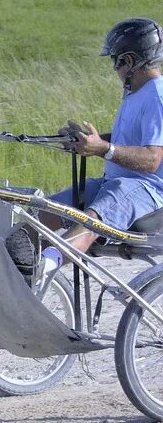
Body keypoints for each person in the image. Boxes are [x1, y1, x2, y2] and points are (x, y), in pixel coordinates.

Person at [18, 18, 163, 291]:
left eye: (116, 62)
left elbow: (152, 158)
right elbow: (125, 142)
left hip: (147, 190)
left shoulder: (157, 96)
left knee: (91, 217)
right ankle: (22, 260)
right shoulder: (136, 94)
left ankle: (44, 268)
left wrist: (103, 149)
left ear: (130, 61)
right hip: (115, 184)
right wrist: (86, 142)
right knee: (42, 211)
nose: (114, 69)